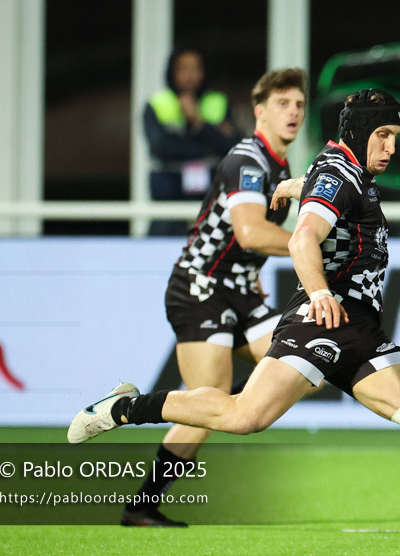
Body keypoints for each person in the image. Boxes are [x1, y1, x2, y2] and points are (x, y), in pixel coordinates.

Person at [68, 90, 400, 556]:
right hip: (321, 322)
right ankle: (124, 406)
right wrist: (318, 291)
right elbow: (302, 237)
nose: (392, 147)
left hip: (360, 330)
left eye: (395, 136)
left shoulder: (345, 169)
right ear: (358, 134)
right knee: (243, 417)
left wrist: (298, 185)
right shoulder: (341, 174)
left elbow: (326, 186)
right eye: (383, 135)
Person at [114, 67, 308, 527]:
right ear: (259, 112)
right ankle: (133, 448)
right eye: (283, 104)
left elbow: (242, 240)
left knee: (306, 365)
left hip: (239, 293)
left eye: (299, 104)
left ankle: (234, 409)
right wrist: (312, 247)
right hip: (200, 288)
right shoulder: (247, 160)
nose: (294, 112)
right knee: (211, 399)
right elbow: (249, 231)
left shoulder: (277, 167)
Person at [144, 48, 242, 236]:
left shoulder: (218, 102)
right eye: (183, 69)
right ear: (172, 72)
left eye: (195, 69)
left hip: (212, 201)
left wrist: (200, 123)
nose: (189, 76)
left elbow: (233, 147)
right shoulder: (157, 103)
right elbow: (160, 147)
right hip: (168, 203)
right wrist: (209, 143)